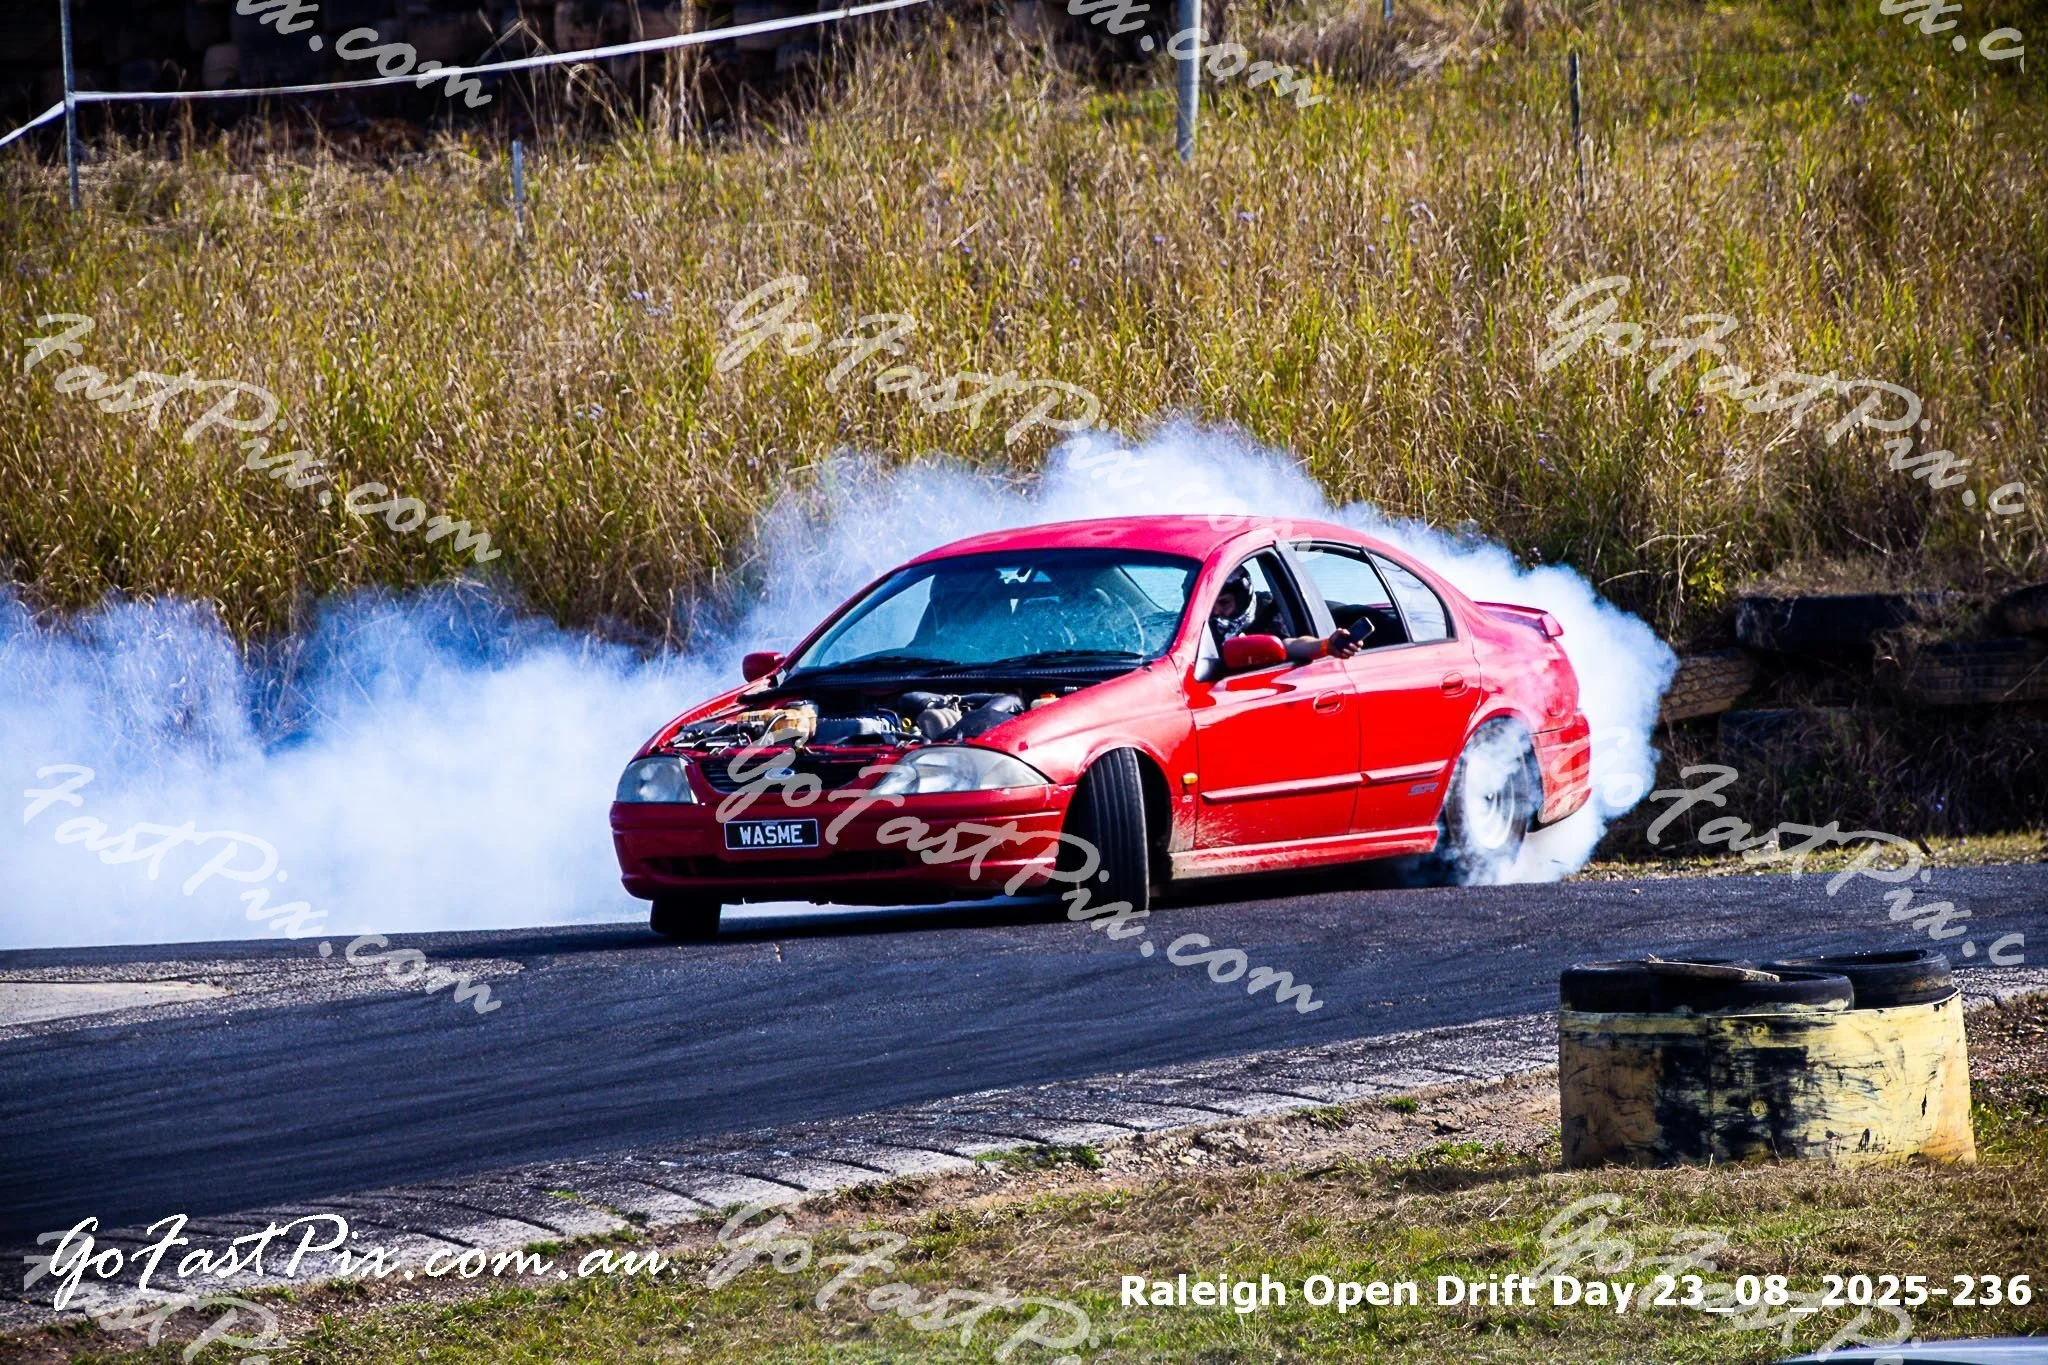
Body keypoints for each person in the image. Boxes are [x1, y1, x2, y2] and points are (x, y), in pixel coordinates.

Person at [1209, 567, 1364, 663]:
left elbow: (1290, 645)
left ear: (1242, 599)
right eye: (1209, 603)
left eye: (1224, 603)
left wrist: (1325, 646)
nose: (1214, 611)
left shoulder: (1270, 613)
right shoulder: (1197, 617)